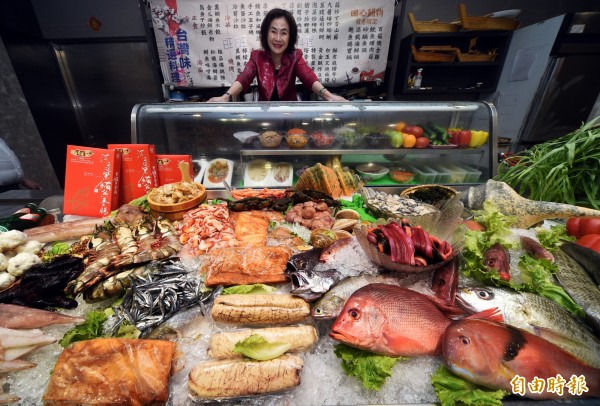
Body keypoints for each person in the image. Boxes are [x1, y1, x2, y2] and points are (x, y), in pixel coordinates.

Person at [208, 8, 347, 102]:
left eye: (284, 33)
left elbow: (309, 78)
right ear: (265, 33)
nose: (278, 38)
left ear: (290, 37)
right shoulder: (257, 57)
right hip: (265, 118)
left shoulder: (294, 57)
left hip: (290, 117)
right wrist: (225, 97)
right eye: (273, 31)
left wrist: (329, 97)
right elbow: (243, 78)